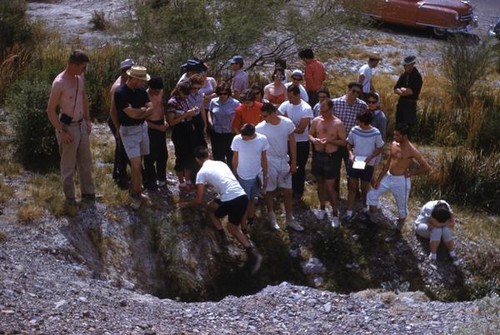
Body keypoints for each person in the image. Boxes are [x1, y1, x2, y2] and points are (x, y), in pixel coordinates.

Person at [183, 146, 263, 275]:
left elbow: (198, 200)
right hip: (241, 196)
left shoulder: (201, 173)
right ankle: (225, 237)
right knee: (211, 207)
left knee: (231, 227)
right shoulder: (220, 163)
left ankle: (251, 253)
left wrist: (185, 204)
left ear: (197, 159)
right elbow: (221, 180)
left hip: (231, 199)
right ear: (208, 155)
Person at [47, 50, 95, 214]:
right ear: (73, 65)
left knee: (85, 161)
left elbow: (83, 97)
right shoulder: (59, 83)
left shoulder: (80, 78)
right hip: (68, 127)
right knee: (68, 165)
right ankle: (70, 198)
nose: (84, 70)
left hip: (81, 124)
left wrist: (88, 119)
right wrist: (61, 132)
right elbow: (50, 110)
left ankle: (88, 193)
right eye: (82, 67)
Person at [367, 123, 431, 231]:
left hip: (401, 181)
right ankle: (373, 221)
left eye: (397, 135)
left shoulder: (412, 150)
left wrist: (410, 173)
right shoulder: (394, 144)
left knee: (402, 208)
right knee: (372, 194)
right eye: (394, 135)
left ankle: (398, 230)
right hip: (388, 177)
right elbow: (388, 163)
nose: (394, 137)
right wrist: (379, 179)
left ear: (404, 136)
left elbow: (426, 167)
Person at [256, 103, 303, 232]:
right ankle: (271, 216)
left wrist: (294, 162)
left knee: (288, 191)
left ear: (273, 113)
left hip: (284, 160)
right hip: (269, 161)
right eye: (262, 115)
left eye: (265, 115)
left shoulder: (287, 123)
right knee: (269, 190)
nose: (263, 118)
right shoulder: (260, 128)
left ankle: (289, 219)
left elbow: (292, 142)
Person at [114, 65, 154, 209]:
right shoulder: (120, 92)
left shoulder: (142, 91)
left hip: (142, 128)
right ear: (133, 78)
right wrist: (143, 110)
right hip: (129, 131)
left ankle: (137, 187)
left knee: (140, 161)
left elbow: (151, 108)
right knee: (136, 165)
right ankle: (136, 193)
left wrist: (140, 112)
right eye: (140, 80)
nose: (143, 83)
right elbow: (129, 113)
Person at [309, 100, 346, 228]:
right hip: (318, 156)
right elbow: (310, 134)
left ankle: (335, 213)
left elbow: (343, 142)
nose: (322, 112)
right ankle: (322, 208)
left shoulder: (338, 123)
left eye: (324, 110)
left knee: (330, 187)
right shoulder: (316, 121)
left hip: (331, 157)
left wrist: (330, 141)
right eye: (321, 110)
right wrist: (314, 140)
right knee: (319, 183)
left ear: (331, 109)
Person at [345, 111, 384, 221]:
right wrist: (351, 155)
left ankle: (365, 208)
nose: (358, 124)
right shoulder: (354, 130)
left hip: (368, 164)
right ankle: (349, 212)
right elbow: (349, 144)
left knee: (365, 187)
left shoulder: (375, 133)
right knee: (352, 187)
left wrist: (370, 158)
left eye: (360, 122)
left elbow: (380, 148)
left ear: (365, 122)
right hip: (355, 162)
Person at [332, 82, 368, 197]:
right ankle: (334, 193)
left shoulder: (362, 106)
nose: (355, 94)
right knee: (334, 168)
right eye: (353, 91)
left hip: (355, 144)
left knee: (356, 169)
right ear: (348, 90)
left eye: (358, 92)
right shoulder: (335, 103)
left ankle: (355, 193)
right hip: (337, 142)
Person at [278, 85, 313, 200]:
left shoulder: (306, 108)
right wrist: (290, 125)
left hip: (301, 142)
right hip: (286, 142)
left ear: (298, 95)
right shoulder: (285, 105)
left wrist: (287, 123)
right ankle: (286, 190)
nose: (290, 99)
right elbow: (279, 121)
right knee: (285, 166)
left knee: (299, 168)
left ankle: (298, 192)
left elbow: (301, 129)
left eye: (292, 97)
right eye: (288, 96)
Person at [231, 123, 269, 231]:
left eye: (245, 137)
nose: (243, 138)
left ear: (252, 135)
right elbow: (235, 158)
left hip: (256, 174)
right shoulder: (237, 139)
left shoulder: (262, 140)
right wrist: (235, 173)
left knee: (252, 199)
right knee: (244, 202)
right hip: (243, 176)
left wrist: (265, 175)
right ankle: (243, 227)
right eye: (242, 136)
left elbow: (264, 159)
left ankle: (250, 218)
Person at [166, 80, 198, 193]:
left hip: (188, 129)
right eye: (185, 93)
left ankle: (188, 180)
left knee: (190, 156)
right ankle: (181, 182)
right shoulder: (172, 102)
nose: (186, 96)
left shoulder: (186, 100)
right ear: (179, 91)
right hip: (179, 131)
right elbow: (172, 122)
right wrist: (186, 114)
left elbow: (188, 114)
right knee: (181, 156)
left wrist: (192, 112)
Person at [109, 58, 134, 189]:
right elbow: (112, 111)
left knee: (121, 148)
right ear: (123, 71)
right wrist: (117, 127)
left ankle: (118, 173)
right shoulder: (118, 87)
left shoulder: (128, 83)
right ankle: (121, 177)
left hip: (124, 121)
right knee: (122, 149)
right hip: (117, 121)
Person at [414, 200, 460, 266]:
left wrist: (444, 224)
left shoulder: (446, 207)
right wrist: (445, 224)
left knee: (445, 230)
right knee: (436, 229)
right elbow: (437, 225)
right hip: (422, 224)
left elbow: (452, 224)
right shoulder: (429, 209)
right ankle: (433, 256)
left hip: (438, 225)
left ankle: (452, 254)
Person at [208, 82, 240, 170]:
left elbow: (240, 116)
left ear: (228, 93)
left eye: (225, 93)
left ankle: (233, 174)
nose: (222, 95)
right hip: (217, 133)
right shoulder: (213, 102)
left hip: (230, 133)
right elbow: (210, 112)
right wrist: (210, 122)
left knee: (230, 157)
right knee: (218, 157)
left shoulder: (235, 103)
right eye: (220, 93)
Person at [143, 76, 168, 190]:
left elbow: (162, 107)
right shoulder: (144, 96)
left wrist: (165, 120)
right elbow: (142, 120)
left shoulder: (160, 92)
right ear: (150, 88)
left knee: (163, 154)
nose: (157, 93)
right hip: (149, 126)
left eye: (159, 90)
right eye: (155, 91)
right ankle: (150, 180)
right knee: (149, 155)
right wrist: (157, 127)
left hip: (160, 123)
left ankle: (161, 177)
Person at [394, 55, 423, 129]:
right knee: (398, 124)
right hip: (401, 103)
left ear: (412, 65)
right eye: (404, 65)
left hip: (410, 105)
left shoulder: (417, 77)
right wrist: (402, 91)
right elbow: (395, 89)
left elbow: (410, 92)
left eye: (406, 65)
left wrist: (402, 90)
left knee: (407, 127)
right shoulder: (403, 75)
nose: (405, 67)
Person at [187, 73, 208, 147]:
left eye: (199, 88)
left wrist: (204, 123)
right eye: (194, 88)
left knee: (201, 142)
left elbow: (201, 107)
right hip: (189, 118)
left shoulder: (200, 94)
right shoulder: (186, 94)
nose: (196, 90)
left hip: (198, 117)